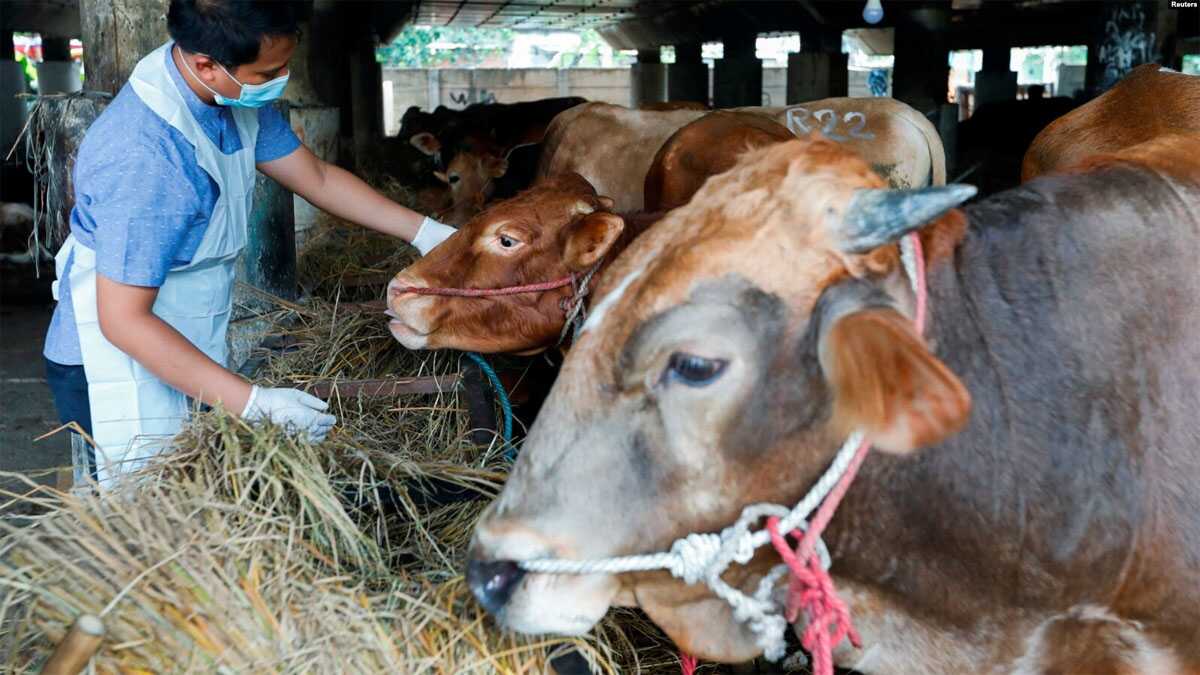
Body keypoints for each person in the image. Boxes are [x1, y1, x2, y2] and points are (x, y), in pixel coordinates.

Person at [43, 0, 455, 486]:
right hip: (113, 360)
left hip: (184, 333)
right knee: (139, 505)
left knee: (196, 490)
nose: (281, 80)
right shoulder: (146, 157)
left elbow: (317, 177)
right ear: (205, 65)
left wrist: (428, 233)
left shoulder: (228, 97)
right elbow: (123, 320)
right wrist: (253, 403)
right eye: (270, 72)